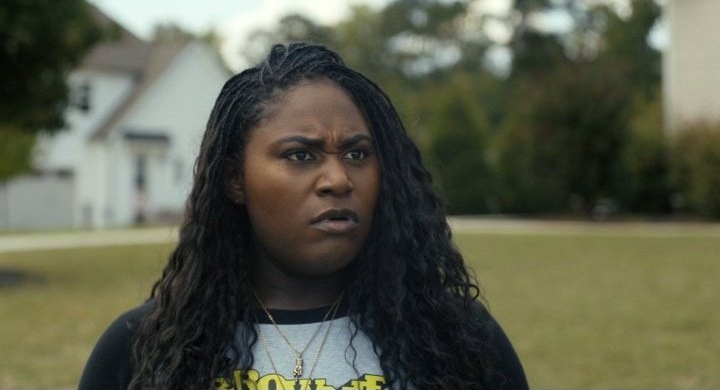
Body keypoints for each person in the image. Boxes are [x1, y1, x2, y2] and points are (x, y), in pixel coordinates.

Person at [78, 43, 528, 390]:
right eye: (300, 155)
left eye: (357, 153)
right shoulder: (141, 350)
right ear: (235, 179)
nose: (338, 179)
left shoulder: (459, 340)